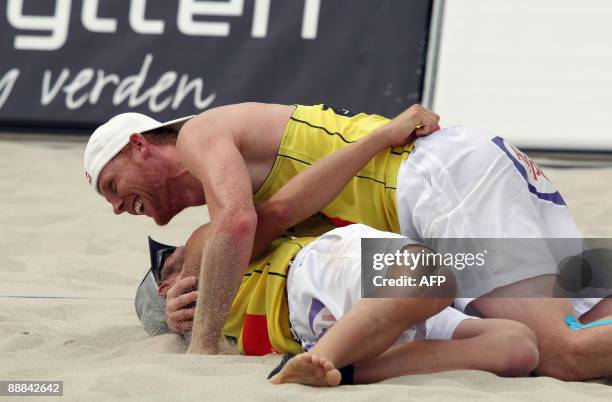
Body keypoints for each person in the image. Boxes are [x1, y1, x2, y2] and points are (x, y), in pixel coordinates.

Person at [85, 103, 612, 380]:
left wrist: (201, 345)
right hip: (465, 174)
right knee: (582, 323)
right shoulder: (244, 187)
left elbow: (240, 226)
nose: (115, 207)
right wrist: (187, 305)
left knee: (558, 353)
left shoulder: (201, 135)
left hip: (439, 185)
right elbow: (276, 216)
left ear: (140, 146)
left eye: (112, 185)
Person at [141, 222, 538, 387]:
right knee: (429, 273)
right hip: (316, 279)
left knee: (518, 348)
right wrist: (175, 319)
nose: (177, 250)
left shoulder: (226, 250)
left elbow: (238, 224)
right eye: (167, 262)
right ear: (166, 286)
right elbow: (228, 226)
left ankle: (342, 370)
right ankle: (321, 361)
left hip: (329, 323)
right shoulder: (202, 289)